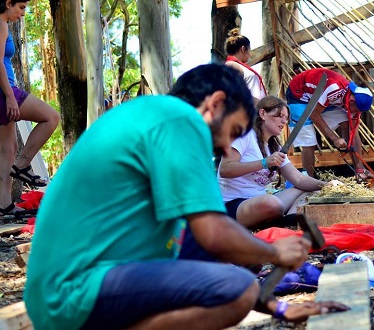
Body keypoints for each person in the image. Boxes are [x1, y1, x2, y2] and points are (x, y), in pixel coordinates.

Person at [24, 64, 348, 330]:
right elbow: (215, 233)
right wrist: (275, 252)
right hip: (73, 293)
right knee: (237, 290)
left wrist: (276, 307)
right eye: (232, 132)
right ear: (216, 104)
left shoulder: (154, 117)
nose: (225, 148)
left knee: (229, 262)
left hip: (61, 292)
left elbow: (201, 240)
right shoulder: (182, 121)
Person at [218, 95, 343, 228]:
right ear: (263, 114)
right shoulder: (244, 135)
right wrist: (265, 163)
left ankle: (287, 224)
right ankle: (283, 222)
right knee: (271, 203)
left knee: (312, 192)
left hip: (261, 203)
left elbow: (299, 179)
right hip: (234, 206)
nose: (284, 122)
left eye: (286, 118)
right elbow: (226, 170)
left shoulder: (274, 147)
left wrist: (326, 185)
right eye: (279, 116)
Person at [0, 0, 60, 216]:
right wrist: (10, 97)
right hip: (4, 91)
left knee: (8, 148)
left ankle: (4, 204)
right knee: (51, 117)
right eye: (21, 7)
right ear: (8, 3)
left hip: (5, 90)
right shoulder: (1, 23)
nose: (23, 13)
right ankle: (22, 166)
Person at [285, 68, 374, 179]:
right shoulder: (334, 89)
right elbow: (314, 114)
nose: (355, 113)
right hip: (299, 96)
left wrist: (360, 168)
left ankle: (360, 171)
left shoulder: (354, 99)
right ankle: (308, 181)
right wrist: (334, 138)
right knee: (309, 142)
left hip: (317, 98)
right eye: (355, 110)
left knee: (348, 125)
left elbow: (353, 133)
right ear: (351, 100)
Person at [225, 28, 267, 103]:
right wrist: (260, 104)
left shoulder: (237, 65)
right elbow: (233, 92)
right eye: (249, 50)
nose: (250, 54)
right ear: (243, 49)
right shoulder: (231, 65)